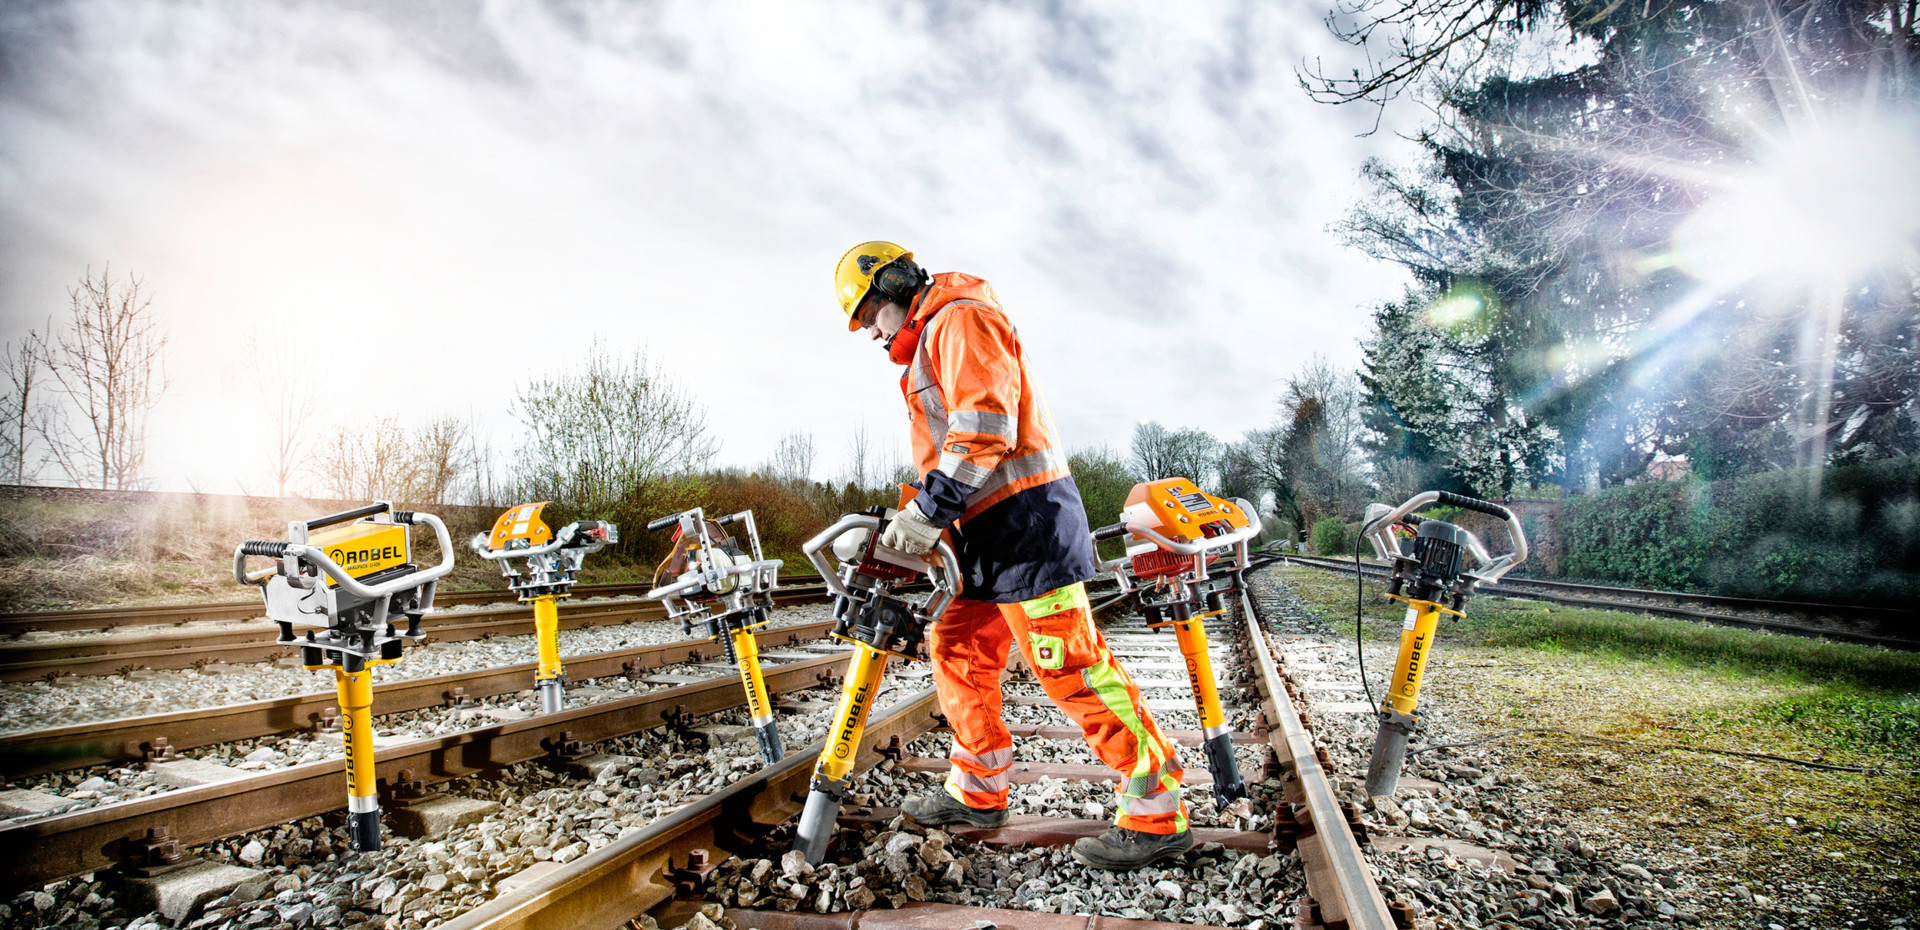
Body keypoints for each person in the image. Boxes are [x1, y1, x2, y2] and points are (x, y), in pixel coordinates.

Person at [832, 240, 1192, 870]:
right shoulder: (934, 336)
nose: (867, 332)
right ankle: (977, 792)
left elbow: (984, 430)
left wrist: (927, 512)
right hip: (983, 537)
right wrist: (925, 514)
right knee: (958, 651)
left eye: (867, 316)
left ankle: (1157, 814)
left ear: (890, 288)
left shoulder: (959, 318)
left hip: (1027, 526)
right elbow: (953, 447)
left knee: (1069, 665)